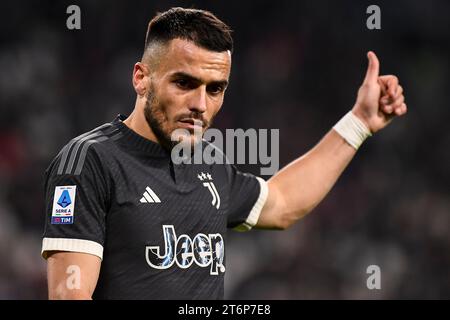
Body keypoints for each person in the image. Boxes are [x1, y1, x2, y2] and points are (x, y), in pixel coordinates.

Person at [41, 7, 407, 299]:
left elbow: (281, 203)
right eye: (184, 83)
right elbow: (69, 294)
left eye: (215, 89)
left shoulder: (207, 161)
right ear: (141, 78)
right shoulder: (90, 162)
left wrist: (359, 122)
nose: (200, 104)